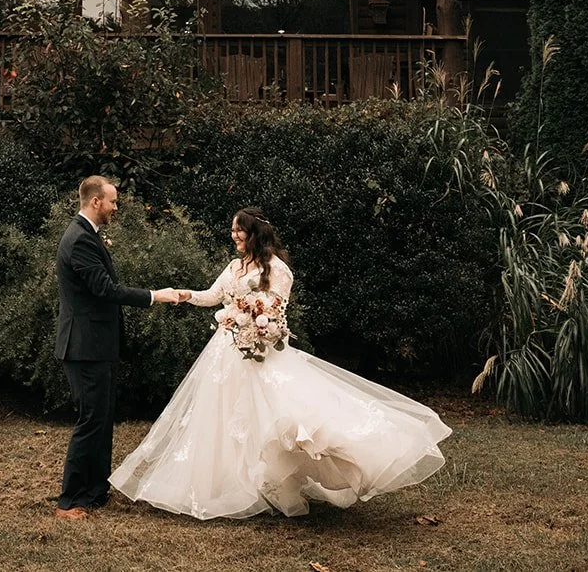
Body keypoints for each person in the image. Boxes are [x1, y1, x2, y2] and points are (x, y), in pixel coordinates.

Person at [110, 206, 452, 519]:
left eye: (238, 231)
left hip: (259, 353)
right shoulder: (234, 267)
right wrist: (184, 295)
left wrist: (255, 325)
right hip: (225, 352)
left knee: (272, 418)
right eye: (231, 232)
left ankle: (276, 477)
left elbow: (276, 312)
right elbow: (214, 296)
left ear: (254, 232)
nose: (233, 237)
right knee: (224, 421)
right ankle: (229, 482)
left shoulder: (277, 268)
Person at [54, 175, 185, 521]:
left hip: (97, 346)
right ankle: (69, 501)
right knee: (90, 421)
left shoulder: (87, 236)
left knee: (102, 420)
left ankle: (96, 491)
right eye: (112, 201)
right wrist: (156, 296)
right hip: (84, 348)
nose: (115, 207)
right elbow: (105, 290)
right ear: (95, 201)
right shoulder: (79, 240)